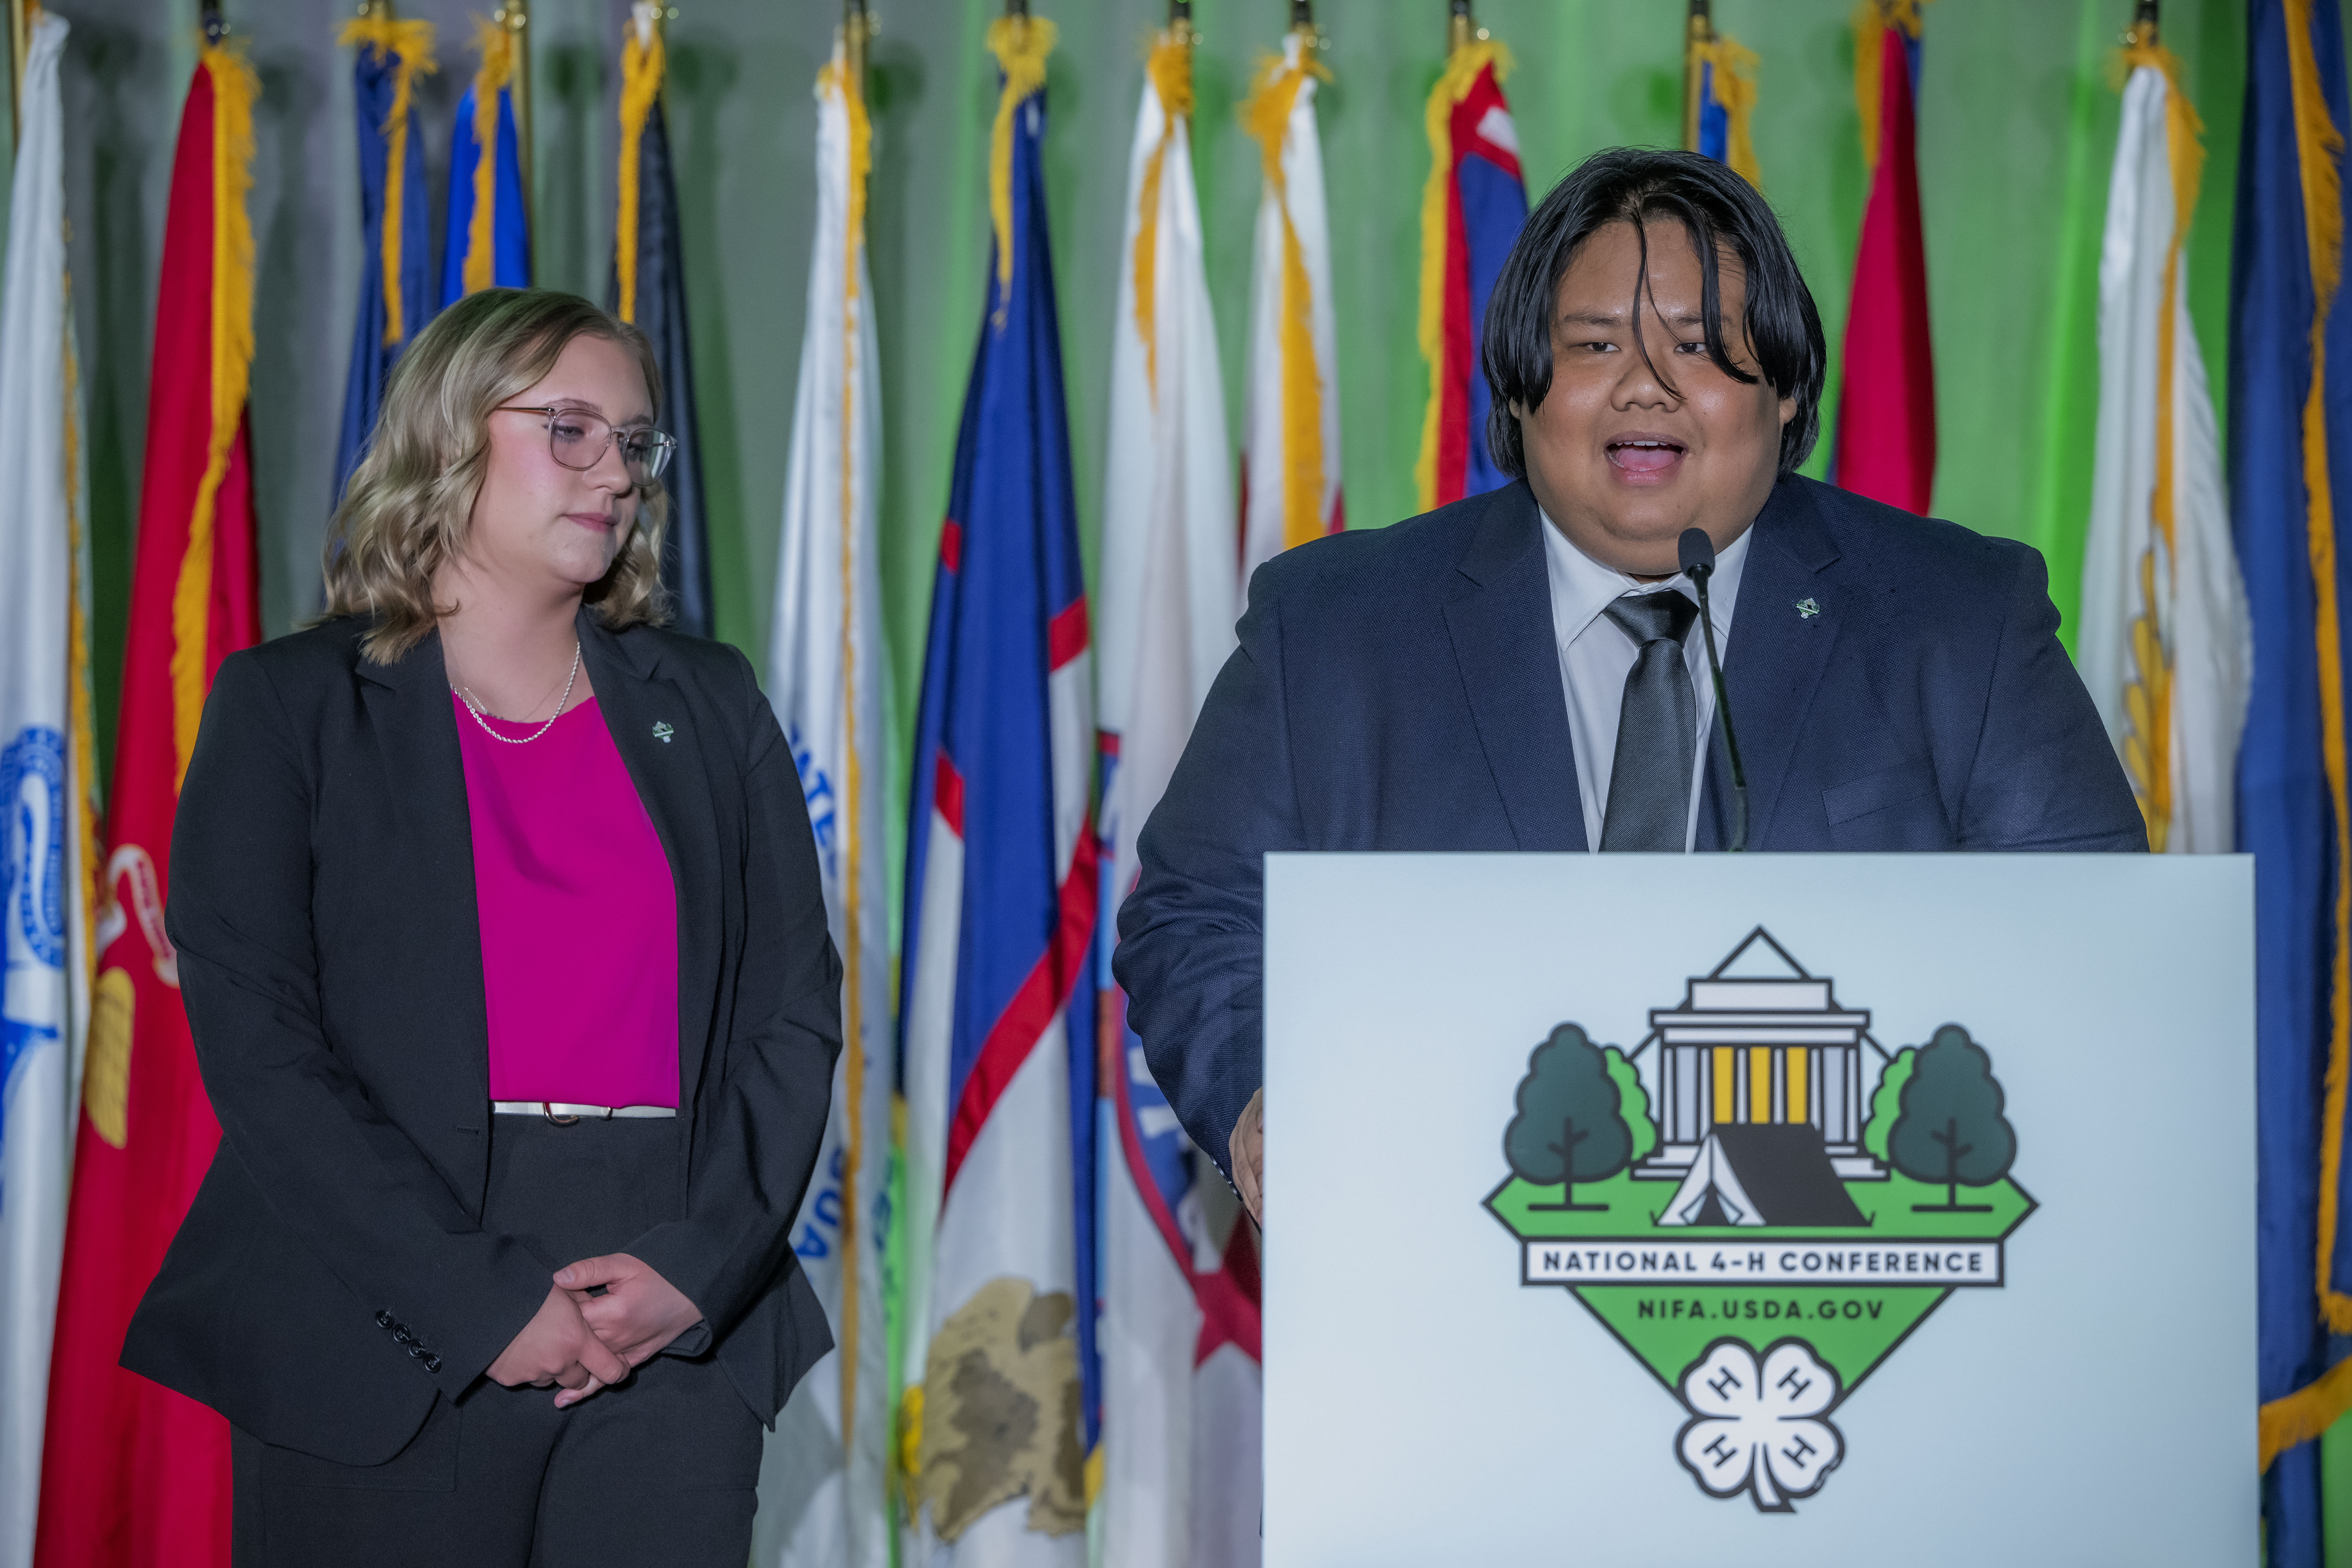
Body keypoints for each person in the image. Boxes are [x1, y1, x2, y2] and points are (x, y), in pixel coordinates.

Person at [1114, 148, 2144, 1228]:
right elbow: (1197, 912)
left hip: (1864, 1289)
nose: (1643, 386)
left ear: (1787, 391)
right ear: (1520, 388)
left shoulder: (1959, 618)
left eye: (1698, 348)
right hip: (1444, 1278)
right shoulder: (1332, 627)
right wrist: (1260, 1094)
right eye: (1595, 345)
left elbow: (2094, 942)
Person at [123, 288, 840, 1564]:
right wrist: (476, 1296)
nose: (612, 470)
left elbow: (792, 1015)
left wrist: (701, 1265)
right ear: (449, 435)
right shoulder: (290, 706)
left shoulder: (714, 705)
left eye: (632, 440)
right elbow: (261, 1045)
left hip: (672, 1308)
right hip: (381, 1308)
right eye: (568, 428)